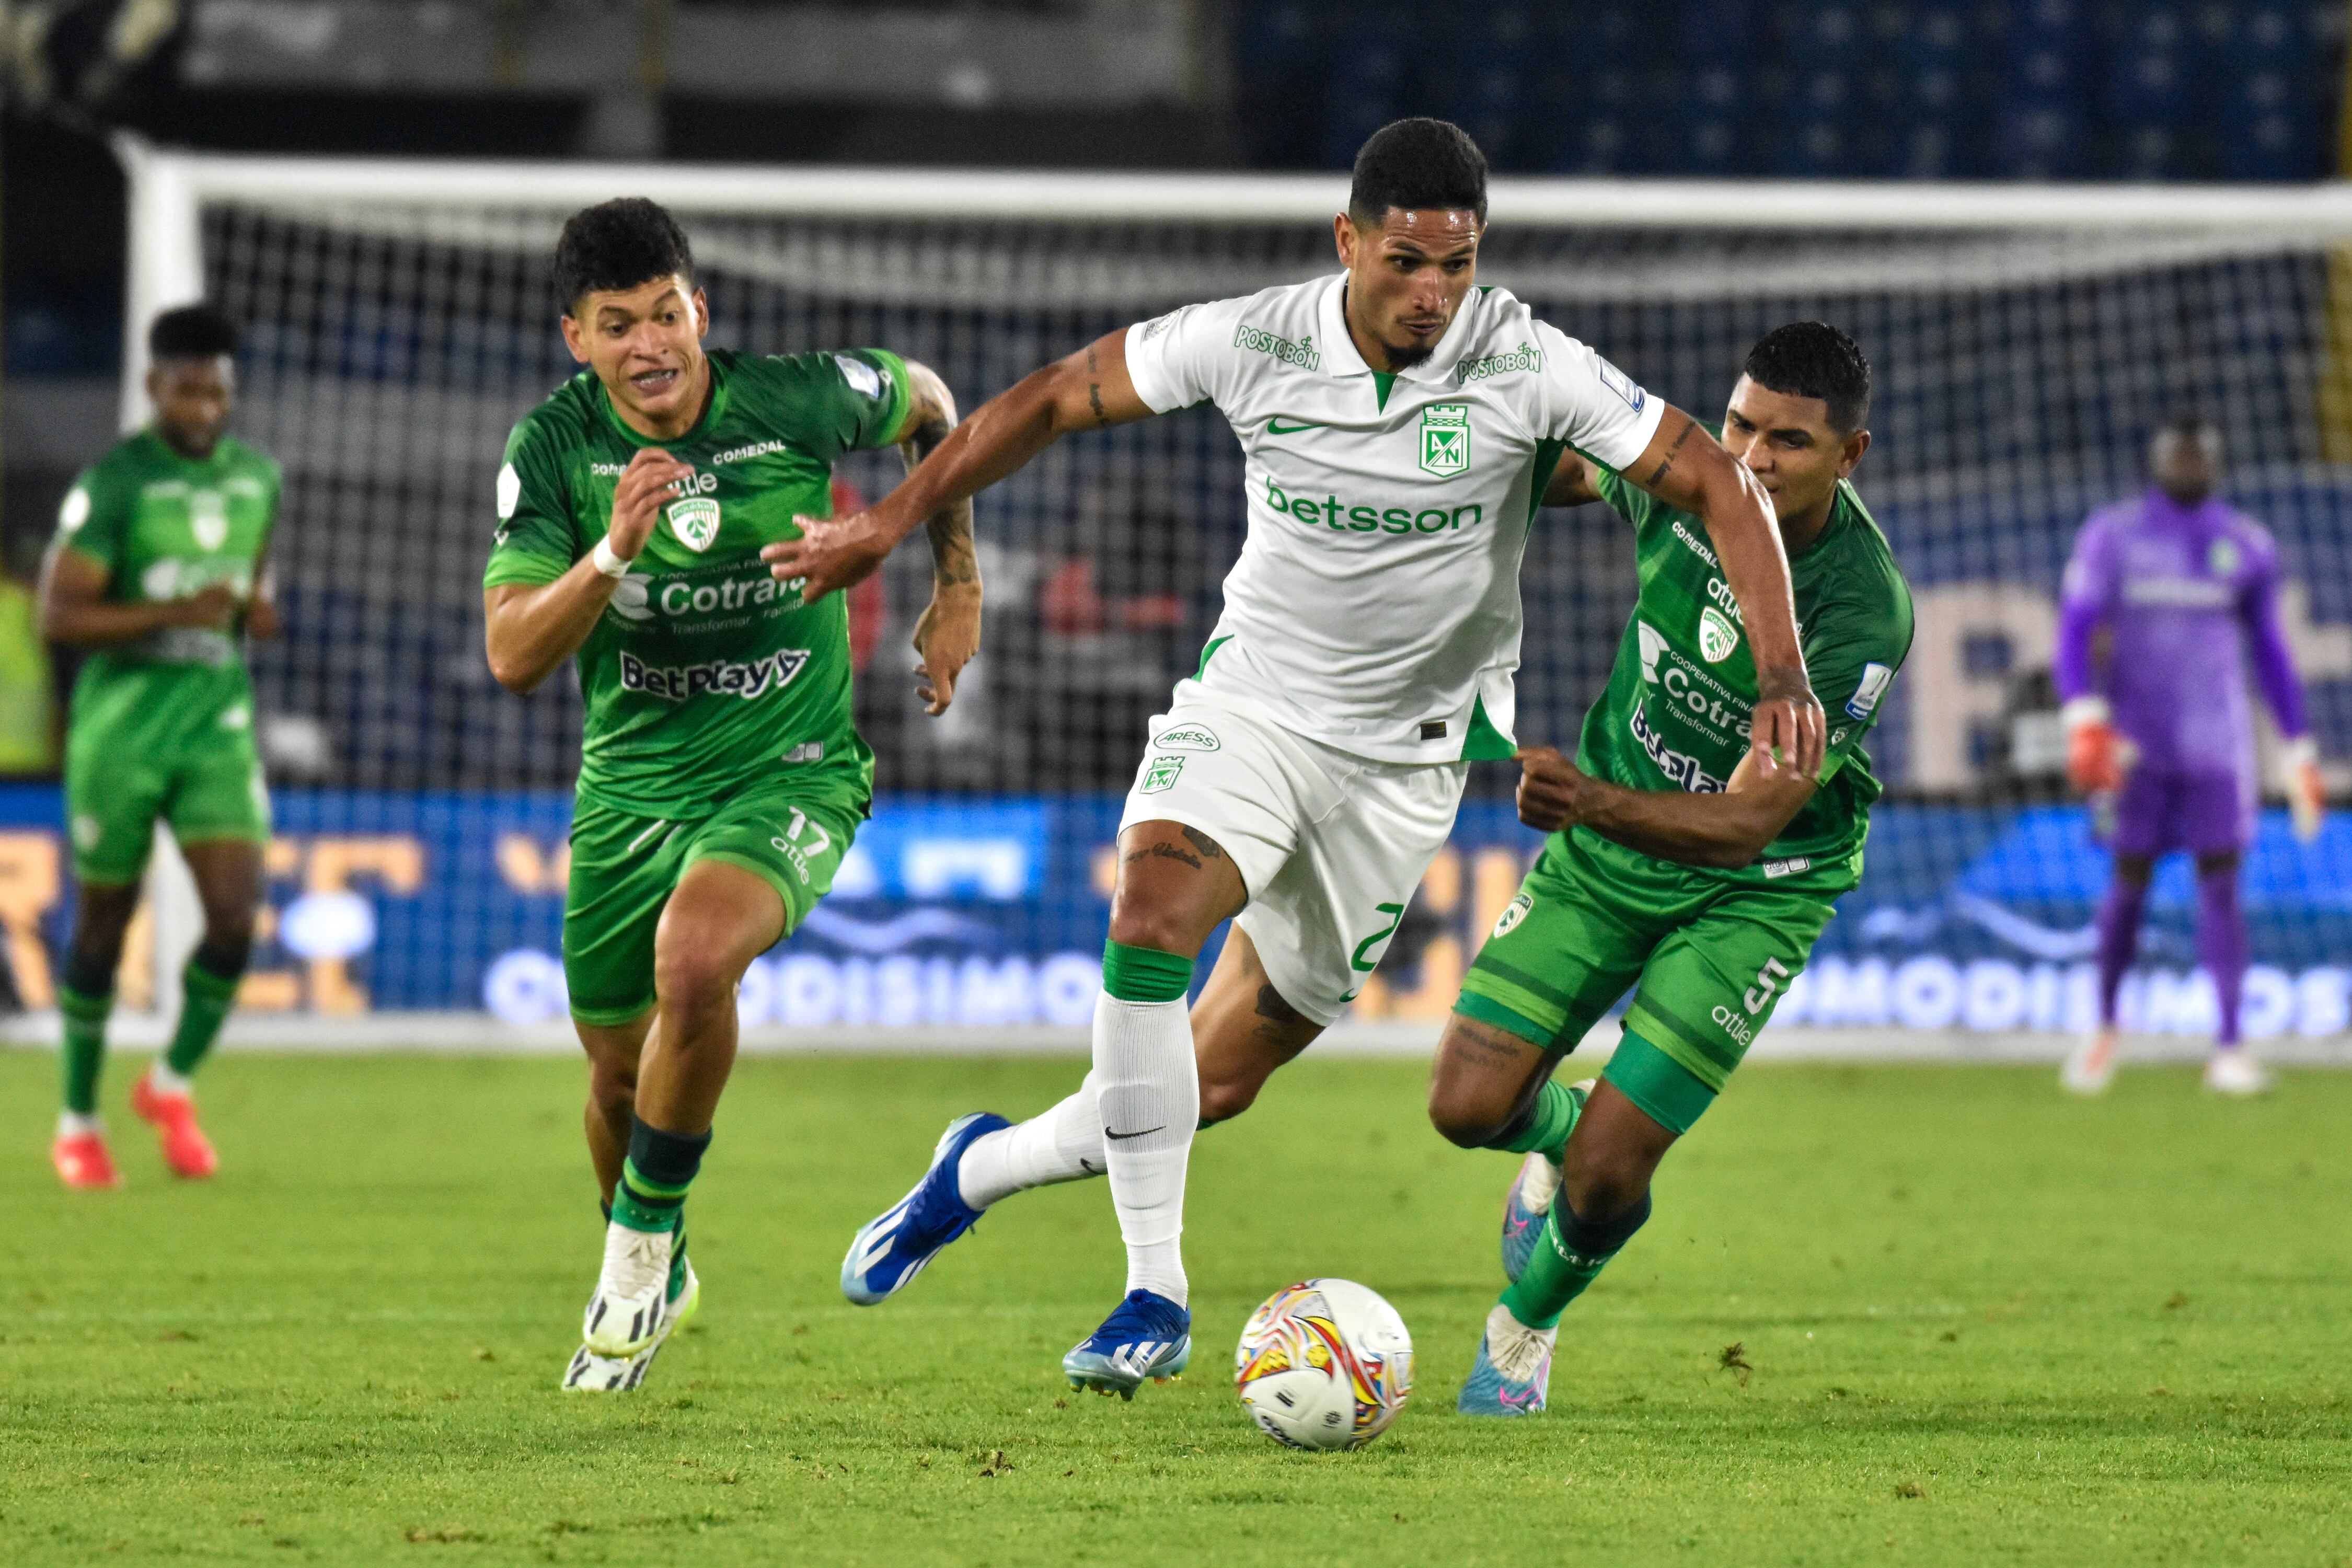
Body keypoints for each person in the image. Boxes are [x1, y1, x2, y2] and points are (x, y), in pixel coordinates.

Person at [793, 118, 1828, 1399]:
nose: (1433, 293)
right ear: (1350, 243)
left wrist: (1784, 670)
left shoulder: (1526, 359)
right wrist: (892, 526)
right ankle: (1152, 1293)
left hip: (1404, 770)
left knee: (1208, 1084)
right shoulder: (1258, 337)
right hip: (1259, 711)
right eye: (1407, 262)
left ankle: (975, 1170)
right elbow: (1059, 394)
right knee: (1155, 900)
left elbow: (1722, 485)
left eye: (1457, 264)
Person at [481, 198, 977, 1391]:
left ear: (701, 308)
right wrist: (608, 554)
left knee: (697, 963)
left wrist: (956, 582)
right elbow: (511, 656)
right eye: (619, 325)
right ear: (577, 341)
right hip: (630, 793)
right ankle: (663, 1247)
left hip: (788, 770)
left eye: (668, 314)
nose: (652, 345)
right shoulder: (551, 452)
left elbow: (933, 406)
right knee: (613, 1074)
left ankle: (637, 1265)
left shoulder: (796, 396)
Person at [1445, 323, 1912, 1413]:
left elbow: (1747, 824)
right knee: (1465, 1108)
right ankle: (1561, 1130)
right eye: (1742, 423)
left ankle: (1523, 1329)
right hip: (1608, 855)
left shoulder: (1861, 611)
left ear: (1852, 457)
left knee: (1614, 1176)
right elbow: (1568, 466)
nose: (1750, 455)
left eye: (1789, 442)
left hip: (1758, 886)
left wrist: (1585, 799)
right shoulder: (1690, 481)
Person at [41, 304, 282, 1190]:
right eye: (186, 390)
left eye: (216, 390)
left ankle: (169, 1083)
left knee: (236, 914)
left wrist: (257, 615)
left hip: (214, 726)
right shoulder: (116, 484)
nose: (203, 406)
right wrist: (168, 615)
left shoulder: (259, 477)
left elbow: (248, 596)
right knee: (105, 927)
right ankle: (77, 1118)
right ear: (154, 388)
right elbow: (58, 615)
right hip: (122, 733)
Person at [2056, 417, 2323, 1097]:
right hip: (2135, 748)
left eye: (2201, 453)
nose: (2190, 463)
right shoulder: (2112, 536)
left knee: (2223, 886)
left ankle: (2230, 1046)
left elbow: (2270, 653)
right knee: (2128, 884)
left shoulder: (2245, 544)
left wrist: (2299, 749)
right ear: (2156, 460)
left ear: (2218, 461)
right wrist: (2083, 716)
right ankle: (2105, 1026)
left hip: (2218, 750)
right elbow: (2077, 629)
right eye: (2180, 452)